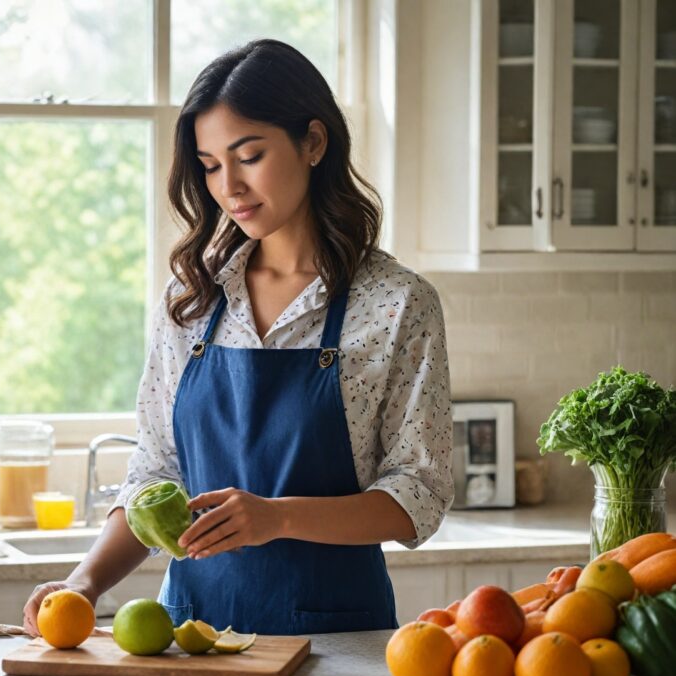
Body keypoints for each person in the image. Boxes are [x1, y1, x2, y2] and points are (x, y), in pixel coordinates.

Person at [23, 38, 453, 637]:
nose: (229, 187)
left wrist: (275, 518)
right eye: (209, 165)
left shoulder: (397, 304)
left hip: (338, 643)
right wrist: (83, 584)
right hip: (191, 637)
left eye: (248, 155)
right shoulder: (191, 302)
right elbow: (155, 474)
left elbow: (418, 495)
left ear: (313, 142)